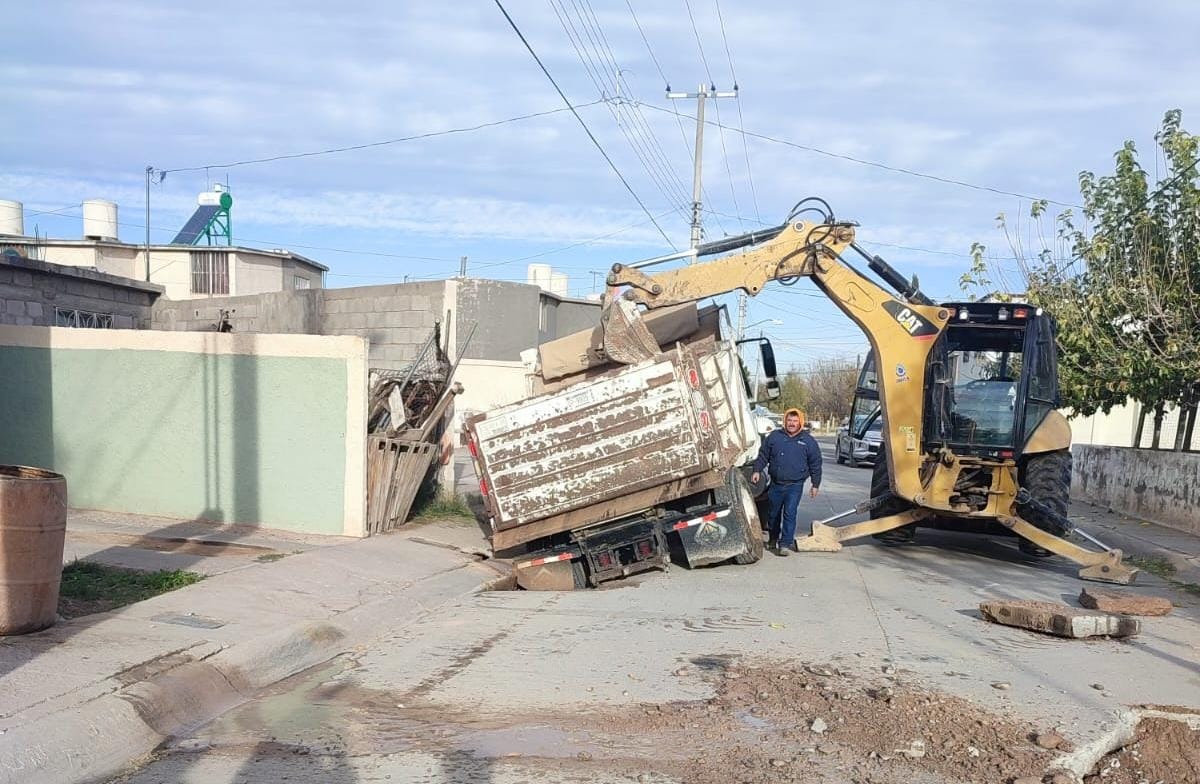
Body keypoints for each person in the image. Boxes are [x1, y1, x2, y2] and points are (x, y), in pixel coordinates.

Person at [750, 408, 822, 557]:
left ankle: (784, 544)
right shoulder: (775, 437)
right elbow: (763, 455)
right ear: (785, 421)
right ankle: (773, 538)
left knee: (790, 513)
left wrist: (815, 485)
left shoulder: (808, 441)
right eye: (789, 420)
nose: (792, 423)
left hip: (795, 485)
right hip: (776, 484)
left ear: (800, 422)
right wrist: (757, 470)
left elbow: (815, 464)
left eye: (795, 421)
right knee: (773, 514)